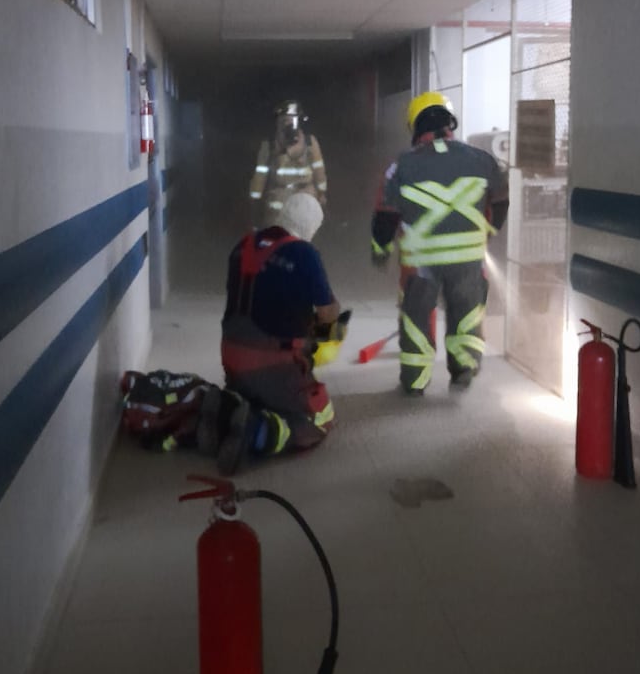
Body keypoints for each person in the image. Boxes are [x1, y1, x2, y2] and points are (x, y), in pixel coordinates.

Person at [371, 91, 509, 396]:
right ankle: (463, 367)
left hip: (421, 263)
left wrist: (380, 249)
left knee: (417, 318)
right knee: (467, 314)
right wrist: (487, 232)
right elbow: (501, 202)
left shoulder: (401, 166)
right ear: (451, 122)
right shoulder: (483, 160)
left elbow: (385, 215)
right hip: (468, 260)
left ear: (415, 125)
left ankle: (416, 380)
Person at [197, 192, 344, 475]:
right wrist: (331, 317)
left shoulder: (242, 246)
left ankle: (224, 411)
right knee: (319, 418)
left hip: (230, 356)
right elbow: (328, 313)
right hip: (271, 362)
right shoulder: (304, 253)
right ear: (311, 227)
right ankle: (256, 432)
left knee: (257, 395)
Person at [248, 101, 328, 227]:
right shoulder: (269, 146)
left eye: (293, 120)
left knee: (302, 238)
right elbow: (259, 178)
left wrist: (321, 193)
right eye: (284, 120)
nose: (289, 124)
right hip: (278, 207)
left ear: (299, 122)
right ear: (277, 123)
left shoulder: (310, 143)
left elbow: (319, 171)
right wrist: (255, 202)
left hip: (304, 203)